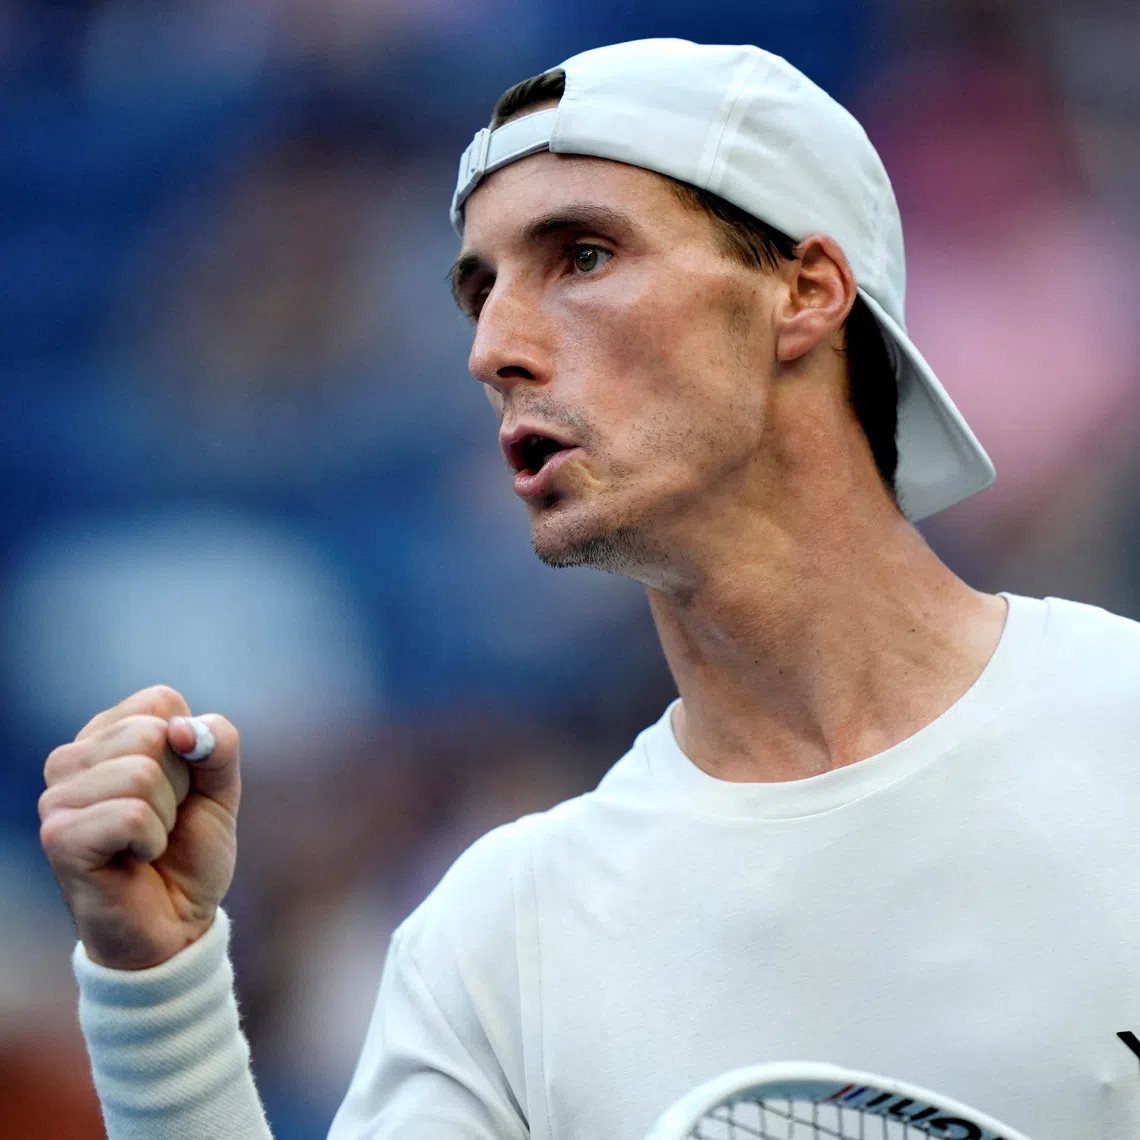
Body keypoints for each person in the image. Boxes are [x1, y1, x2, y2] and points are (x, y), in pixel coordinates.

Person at [39, 39, 1140, 1140]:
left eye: (582, 256)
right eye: (480, 289)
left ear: (804, 292)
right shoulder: (495, 935)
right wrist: (159, 984)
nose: (492, 349)